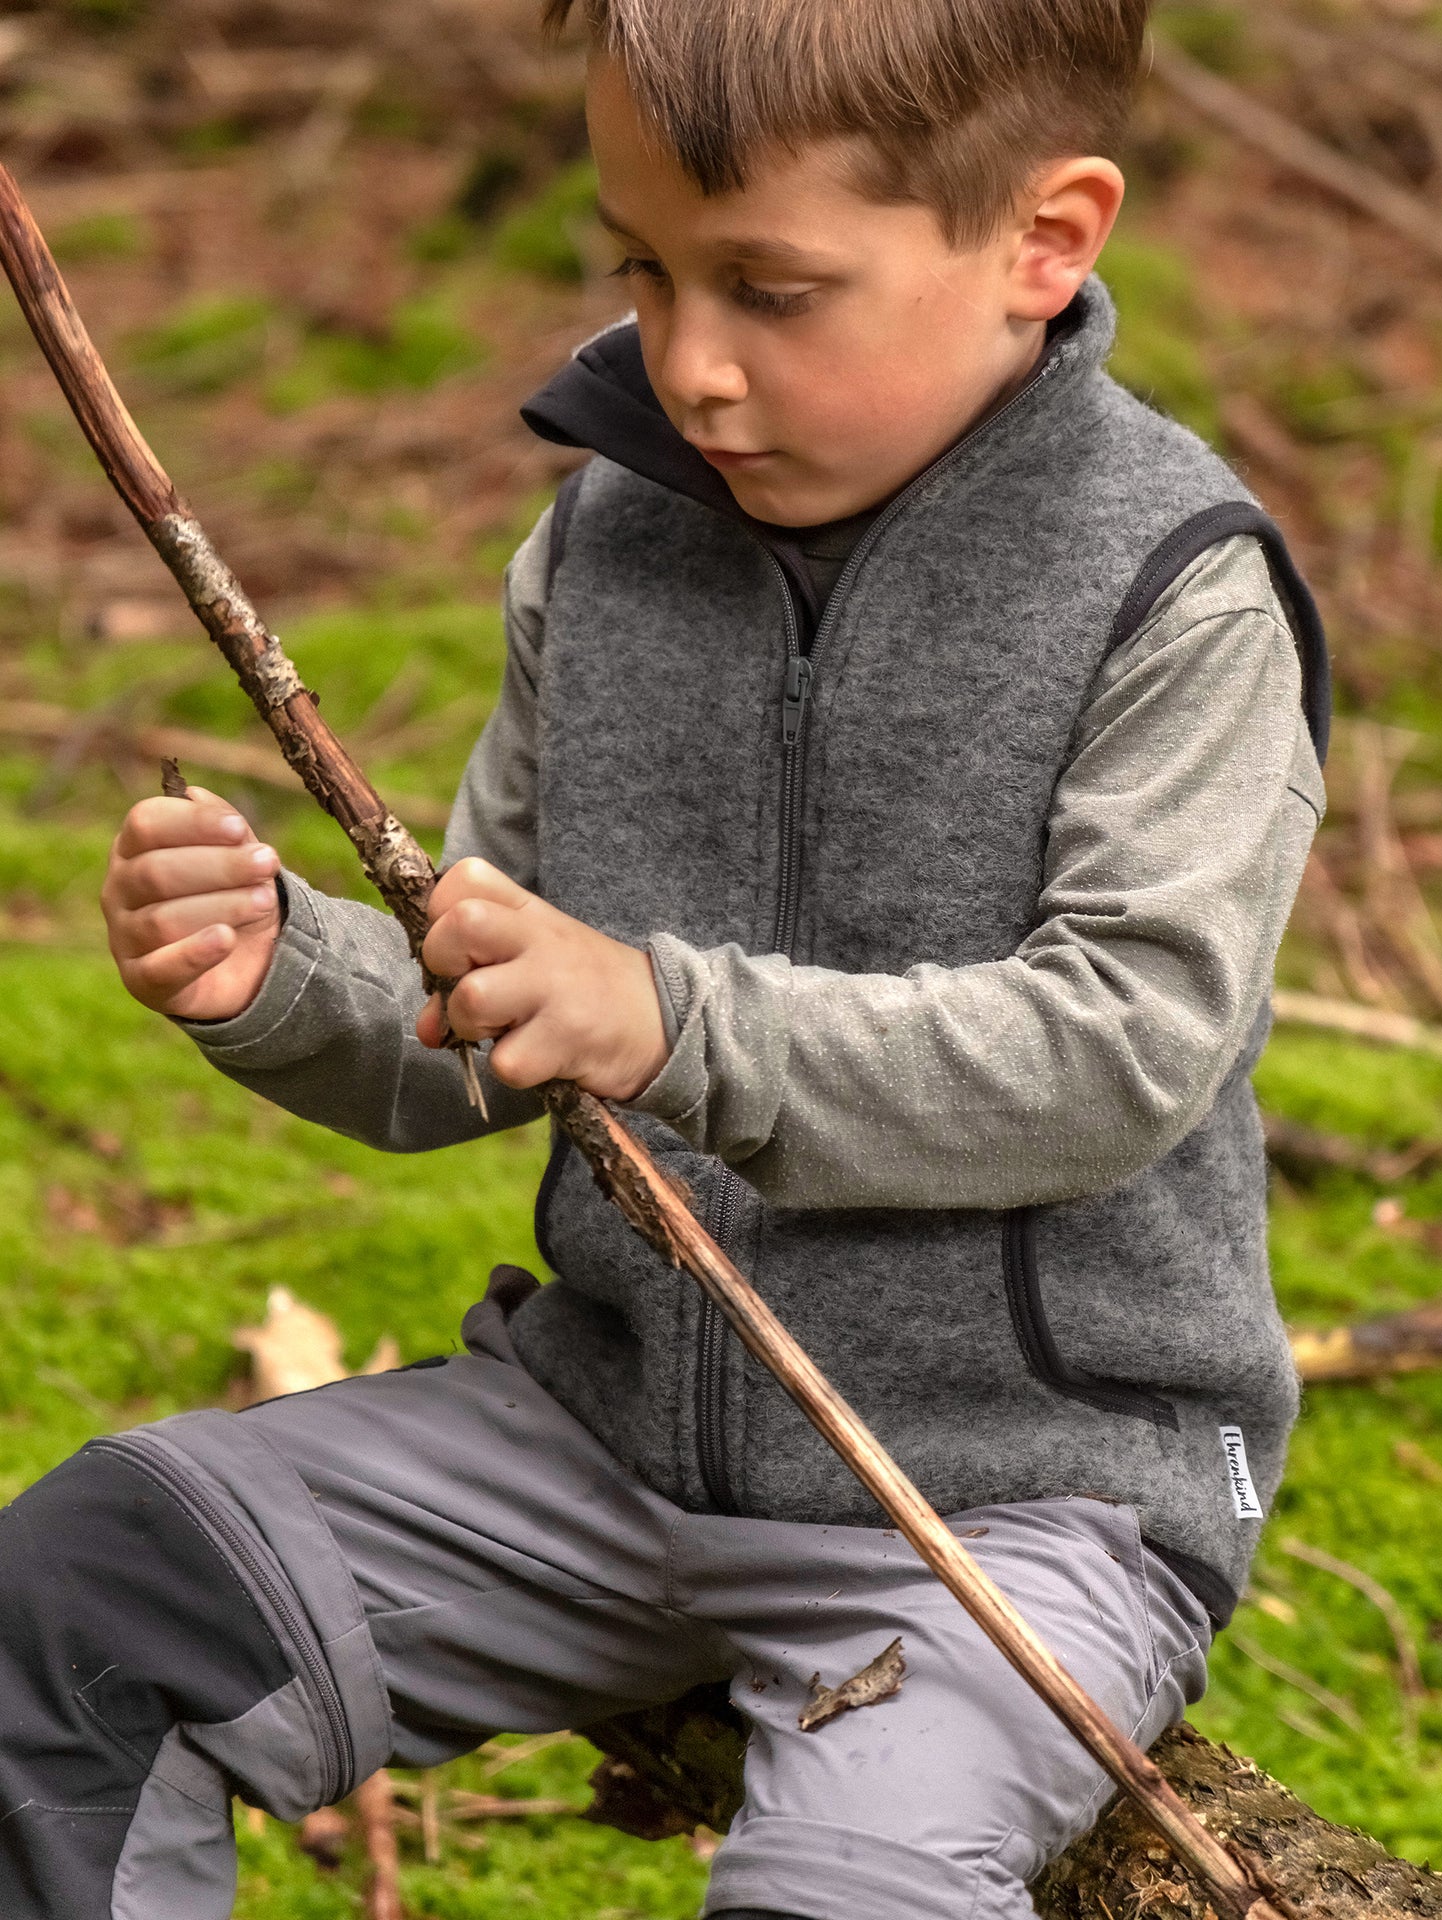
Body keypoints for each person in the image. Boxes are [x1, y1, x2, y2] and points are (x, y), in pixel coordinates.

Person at [0, 1, 1329, 1914]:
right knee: (79, 1603)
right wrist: (292, 974)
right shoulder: (608, 543)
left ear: (1047, 242)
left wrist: (673, 1018)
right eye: (644, 267)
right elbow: (491, 1006)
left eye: (773, 289)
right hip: (593, 1436)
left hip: (1006, 1505)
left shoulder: (1174, 590)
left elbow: (1121, 1047)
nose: (687, 362)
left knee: (849, 1887)